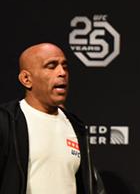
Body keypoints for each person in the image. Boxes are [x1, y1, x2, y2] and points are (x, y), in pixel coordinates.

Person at [0, 43, 105, 194]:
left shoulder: (76, 126)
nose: (62, 72)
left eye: (65, 66)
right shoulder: (5, 121)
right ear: (26, 79)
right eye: (51, 66)